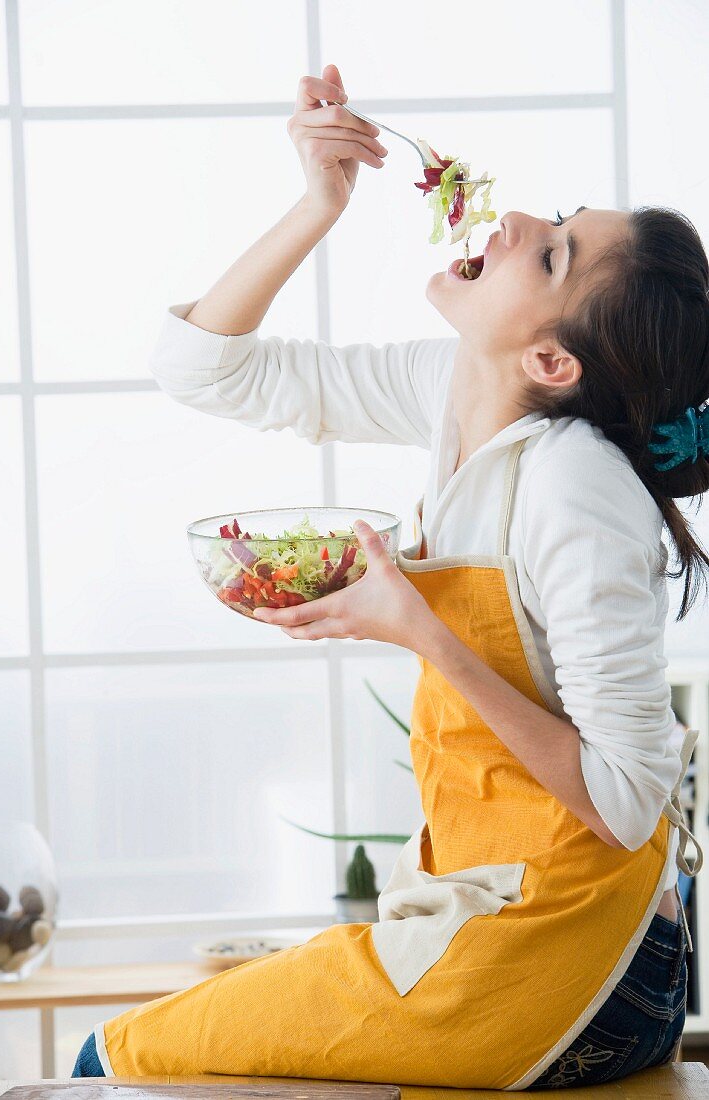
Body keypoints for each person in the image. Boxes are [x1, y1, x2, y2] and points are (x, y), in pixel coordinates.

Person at [73, 63, 708, 1088]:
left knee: (114, 1055)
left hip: (578, 959)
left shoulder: (577, 489)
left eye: (548, 253)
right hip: (489, 908)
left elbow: (628, 799)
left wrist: (419, 628)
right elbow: (202, 368)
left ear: (551, 364)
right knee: (132, 1048)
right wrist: (316, 203)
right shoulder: (458, 388)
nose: (509, 222)